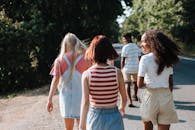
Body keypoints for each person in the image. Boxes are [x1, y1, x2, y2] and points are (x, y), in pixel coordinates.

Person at [79, 35, 127, 130]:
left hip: (95, 117)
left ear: (92, 51)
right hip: (114, 115)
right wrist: (122, 107)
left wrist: (81, 125)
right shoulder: (117, 72)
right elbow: (124, 98)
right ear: (109, 51)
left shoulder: (87, 74)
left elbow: (85, 103)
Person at [137, 30, 179, 130]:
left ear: (151, 43)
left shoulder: (145, 59)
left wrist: (147, 83)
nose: (141, 44)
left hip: (150, 97)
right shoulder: (168, 58)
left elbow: (139, 84)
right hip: (166, 96)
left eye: (143, 41)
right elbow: (170, 83)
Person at [47, 33, 89, 130]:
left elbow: (55, 80)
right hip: (82, 99)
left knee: (68, 129)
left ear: (64, 44)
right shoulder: (85, 58)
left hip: (66, 100)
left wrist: (49, 99)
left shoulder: (59, 60)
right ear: (77, 43)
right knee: (83, 128)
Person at [120, 32, 141, 107]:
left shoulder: (125, 47)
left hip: (127, 69)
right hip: (136, 68)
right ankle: (135, 95)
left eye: (124, 39)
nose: (124, 40)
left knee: (127, 84)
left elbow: (122, 60)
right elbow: (139, 58)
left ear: (128, 38)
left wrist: (121, 69)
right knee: (135, 83)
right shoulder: (136, 46)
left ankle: (130, 101)